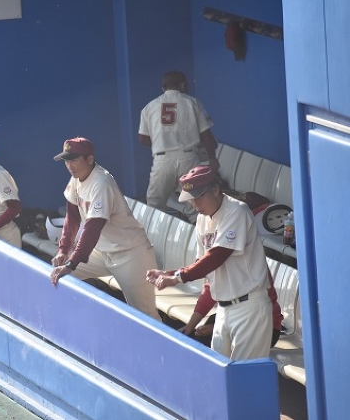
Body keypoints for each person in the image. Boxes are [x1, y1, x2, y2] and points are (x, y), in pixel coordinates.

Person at [146, 166, 273, 360]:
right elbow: (204, 266)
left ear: (215, 189)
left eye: (199, 196)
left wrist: (177, 278)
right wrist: (169, 273)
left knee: (245, 373)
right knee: (219, 371)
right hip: (222, 308)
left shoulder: (236, 210)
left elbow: (218, 255)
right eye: (191, 199)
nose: (194, 204)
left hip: (249, 307)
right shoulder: (202, 219)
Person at [50, 137, 162, 321]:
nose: (69, 165)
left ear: (90, 159)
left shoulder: (101, 182)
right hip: (101, 252)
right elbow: (72, 214)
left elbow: (93, 228)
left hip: (130, 254)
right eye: (66, 160)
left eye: (74, 159)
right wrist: (63, 250)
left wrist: (72, 262)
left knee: (145, 317)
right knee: (57, 276)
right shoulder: (77, 178)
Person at [138, 70, 219, 221]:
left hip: (162, 161)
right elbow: (207, 136)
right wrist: (212, 159)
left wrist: (163, 143)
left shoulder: (149, 107)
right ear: (182, 85)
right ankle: (200, 233)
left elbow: (142, 138)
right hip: (188, 159)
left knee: (154, 205)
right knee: (195, 204)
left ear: (163, 88)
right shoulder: (193, 103)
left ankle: (156, 234)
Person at [180, 273, 283, 349]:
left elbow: (256, 308)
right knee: (202, 335)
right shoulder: (224, 263)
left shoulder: (252, 268)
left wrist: (216, 328)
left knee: (212, 341)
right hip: (235, 318)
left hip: (265, 328)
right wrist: (190, 326)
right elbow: (209, 291)